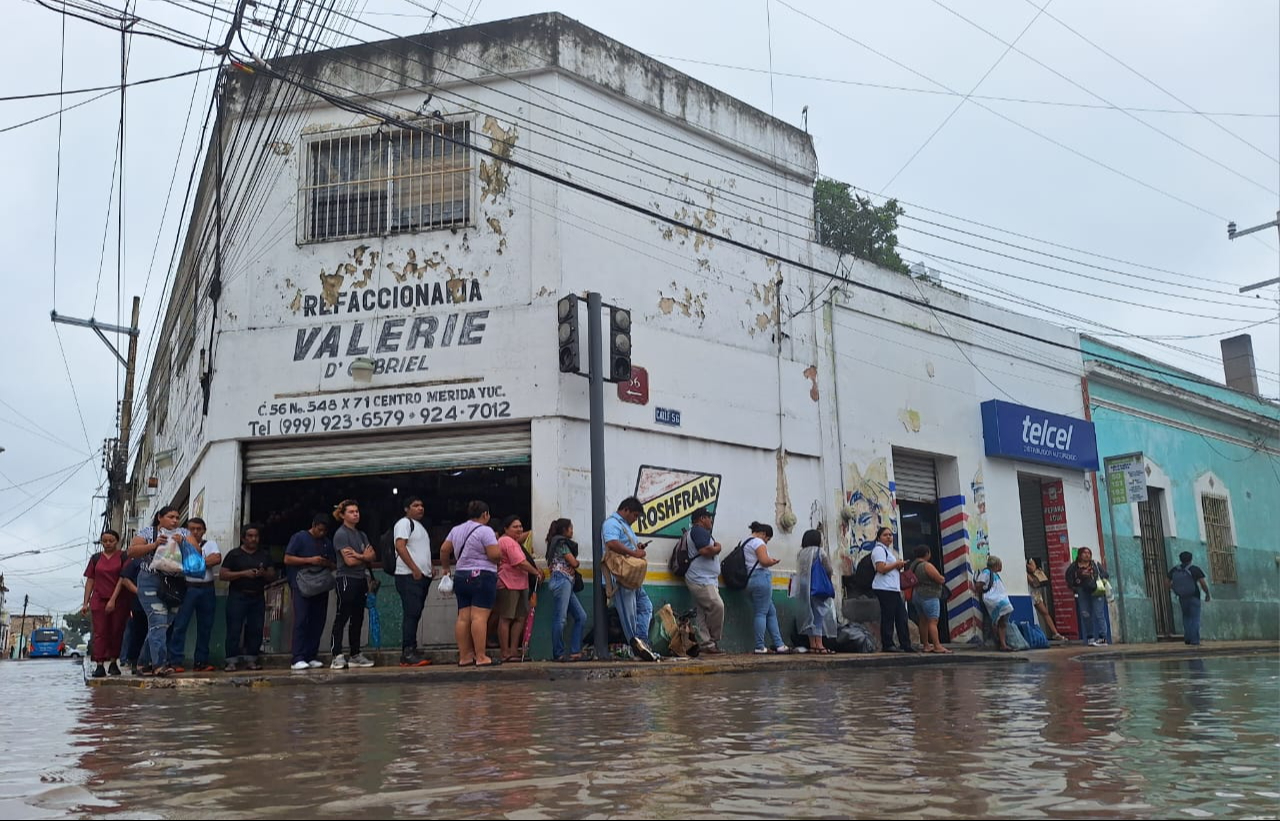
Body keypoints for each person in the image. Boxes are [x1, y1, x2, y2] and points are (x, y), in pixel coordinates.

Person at [127, 506, 189, 676]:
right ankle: (160, 665)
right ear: (159, 518)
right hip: (150, 581)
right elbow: (131, 551)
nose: (175, 520)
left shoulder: (183, 533)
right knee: (159, 622)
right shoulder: (148, 532)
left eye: (177, 517)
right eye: (170, 516)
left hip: (175, 583)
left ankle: (142, 664)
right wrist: (154, 545)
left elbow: (196, 552)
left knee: (162, 625)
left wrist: (183, 544)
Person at [440, 500, 503, 667]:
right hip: (482, 576)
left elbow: (444, 549)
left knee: (463, 618)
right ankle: (481, 656)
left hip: (461, 576)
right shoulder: (485, 530)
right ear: (485, 514)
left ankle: (465, 656)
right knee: (479, 617)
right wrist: (498, 552)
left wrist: (446, 568)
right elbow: (494, 555)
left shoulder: (456, 530)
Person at [168, 517, 222, 673]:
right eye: (192, 529)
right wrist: (203, 563)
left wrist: (193, 564)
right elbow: (173, 563)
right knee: (180, 625)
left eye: (199, 529)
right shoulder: (180, 544)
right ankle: (176, 661)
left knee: (206, 626)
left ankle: (201, 662)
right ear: (186, 530)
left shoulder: (210, 544)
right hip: (188, 588)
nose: (196, 532)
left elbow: (216, 559)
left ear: (204, 530)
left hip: (207, 589)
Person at [602, 497, 654, 657]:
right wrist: (634, 553)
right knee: (629, 615)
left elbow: (624, 545)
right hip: (620, 578)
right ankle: (636, 648)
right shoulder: (611, 523)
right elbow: (611, 543)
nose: (635, 519)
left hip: (632, 579)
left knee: (646, 606)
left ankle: (642, 642)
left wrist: (636, 547)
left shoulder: (625, 526)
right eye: (635, 516)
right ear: (626, 510)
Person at [220, 523, 276, 672]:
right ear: (243, 538)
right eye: (250, 536)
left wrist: (263, 573)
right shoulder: (234, 554)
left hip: (257, 597)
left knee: (256, 629)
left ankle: (252, 660)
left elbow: (272, 575)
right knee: (234, 629)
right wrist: (243, 574)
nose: (253, 539)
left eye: (256, 536)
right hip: (238, 596)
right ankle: (231, 661)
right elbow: (223, 575)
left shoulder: (264, 555)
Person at [285, 513, 336, 671]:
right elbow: (287, 559)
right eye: (319, 530)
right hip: (301, 584)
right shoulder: (299, 538)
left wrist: (325, 562)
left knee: (318, 621)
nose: (321, 533)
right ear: (313, 525)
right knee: (301, 620)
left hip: (320, 584)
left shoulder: (327, 542)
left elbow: (334, 564)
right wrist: (310, 560)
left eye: (324, 531)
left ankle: (311, 654)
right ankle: (297, 657)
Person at [330, 499, 376, 669]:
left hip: (361, 579)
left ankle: (355, 653)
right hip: (346, 579)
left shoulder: (361, 534)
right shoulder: (341, 534)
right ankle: (337, 654)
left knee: (358, 617)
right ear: (342, 515)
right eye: (351, 511)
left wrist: (360, 556)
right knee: (342, 616)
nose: (355, 514)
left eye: (357, 511)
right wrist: (362, 556)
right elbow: (348, 561)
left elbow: (372, 555)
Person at [80, 530, 129, 677]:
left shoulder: (123, 556)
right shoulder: (96, 559)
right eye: (105, 541)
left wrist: (113, 599)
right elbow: (90, 580)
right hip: (98, 600)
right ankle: (99, 664)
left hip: (119, 600)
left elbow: (123, 578)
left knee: (116, 631)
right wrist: (85, 602)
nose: (108, 544)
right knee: (100, 633)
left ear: (117, 541)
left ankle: (114, 662)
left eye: (111, 541)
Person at [392, 496, 433, 667]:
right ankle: (407, 652)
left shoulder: (420, 526)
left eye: (422, 505)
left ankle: (412, 648)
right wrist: (415, 568)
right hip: (408, 575)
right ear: (406, 509)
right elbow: (400, 546)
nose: (420, 508)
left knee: (415, 613)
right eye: (415, 505)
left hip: (421, 576)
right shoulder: (404, 523)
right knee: (411, 613)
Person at [495, 516, 538, 662]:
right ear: (506, 529)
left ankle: (513, 650)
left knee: (519, 618)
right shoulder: (506, 541)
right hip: (508, 583)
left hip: (520, 583)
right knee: (506, 618)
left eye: (520, 526)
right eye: (515, 527)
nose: (519, 529)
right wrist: (535, 571)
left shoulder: (514, 542)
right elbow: (519, 562)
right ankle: (505, 652)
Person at [683, 507, 726, 655]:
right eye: (709, 517)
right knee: (717, 606)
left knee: (702, 614)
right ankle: (713, 639)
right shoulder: (698, 530)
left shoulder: (699, 532)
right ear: (702, 519)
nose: (711, 520)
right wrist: (718, 548)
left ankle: (707, 644)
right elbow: (705, 551)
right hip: (701, 580)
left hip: (705, 579)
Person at [742, 521, 788, 655]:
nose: (766, 542)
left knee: (770, 611)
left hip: (750, 580)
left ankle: (779, 644)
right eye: (767, 539)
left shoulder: (745, 542)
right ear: (763, 534)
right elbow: (763, 561)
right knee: (761, 612)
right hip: (761, 578)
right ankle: (759, 646)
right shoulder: (758, 542)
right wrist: (773, 561)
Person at [545, 518, 586, 662]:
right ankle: (559, 653)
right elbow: (573, 562)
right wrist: (577, 562)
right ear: (564, 530)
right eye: (570, 528)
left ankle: (575, 651)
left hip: (565, 581)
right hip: (562, 580)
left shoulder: (555, 543)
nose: (572, 531)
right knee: (560, 619)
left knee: (581, 616)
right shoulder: (561, 544)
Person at [871, 526, 915, 653]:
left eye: (890, 535)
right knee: (888, 617)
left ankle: (905, 644)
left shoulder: (888, 551)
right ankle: (888, 644)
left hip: (892, 588)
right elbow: (880, 568)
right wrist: (896, 564)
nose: (889, 537)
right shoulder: (879, 550)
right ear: (879, 537)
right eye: (885, 535)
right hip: (884, 588)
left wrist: (898, 565)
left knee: (901, 616)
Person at [793, 529, 836, 654]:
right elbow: (828, 569)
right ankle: (819, 644)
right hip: (817, 587)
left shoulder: (801, 553)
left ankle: (812, 644)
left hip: (804, 587)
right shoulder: (819, 552)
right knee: (819, 616)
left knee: (808, 615)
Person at [108, 556, 147, 675]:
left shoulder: (159, 560)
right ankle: (134, 661)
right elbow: (124, 579)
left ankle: (150, 661)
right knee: (137, 633)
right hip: (138, 604)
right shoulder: (136, 562)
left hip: (157, 603)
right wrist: (139, 591)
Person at [910, 546, 951, 654]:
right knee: (933, 621)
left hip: (916, 594)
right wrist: (942, 578)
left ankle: (926, 645)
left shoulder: (913, 565)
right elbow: (939, 578)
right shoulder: (926, 565)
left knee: (922, 620)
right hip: (929, 595)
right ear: (927, 553)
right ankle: (937, 646)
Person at [1065, 547, 1110, 646]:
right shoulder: (1074, 566)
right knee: (1086, 615)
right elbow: (1068, 577)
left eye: (1089, 553)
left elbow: (1105, 574)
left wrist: (1099, 580)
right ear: (1079, 555)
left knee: (1099, 614)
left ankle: (1103, 638)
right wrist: (1074, 588)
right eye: (1084, 553)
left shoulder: (1095, 564)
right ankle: (1090, 638)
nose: (1087, 555)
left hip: (1097, 591)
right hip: (1082, 592)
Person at [1168, 551, 1211, 646]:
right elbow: (1202, 583)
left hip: (1182, 597)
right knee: (1195, 618)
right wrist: (1207, 593)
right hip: (1194, 596)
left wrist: (1175, 589)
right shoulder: (1194, 569)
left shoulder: (1175, 570)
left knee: (1186, 617)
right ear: (1191, 559)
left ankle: (1187, 639)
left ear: (1180, 559)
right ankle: (1195, 640)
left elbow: (1167, 582)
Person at [977, 555, 1014, 652]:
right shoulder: (986, 572)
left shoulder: (995, 574)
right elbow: (979, 585)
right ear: (996, 564)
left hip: (999, 600)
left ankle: (1002, 644)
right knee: (996, 620)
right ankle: (995, 642)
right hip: (993, 601)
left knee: (1002, 622)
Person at [1027, 558, 1066, 641]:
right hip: (1028, 593)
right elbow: (1033, 582)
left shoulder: (1031, 565)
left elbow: (1035, 582)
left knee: (1045, 612)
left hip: (1035, 593)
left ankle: (1055, 633)